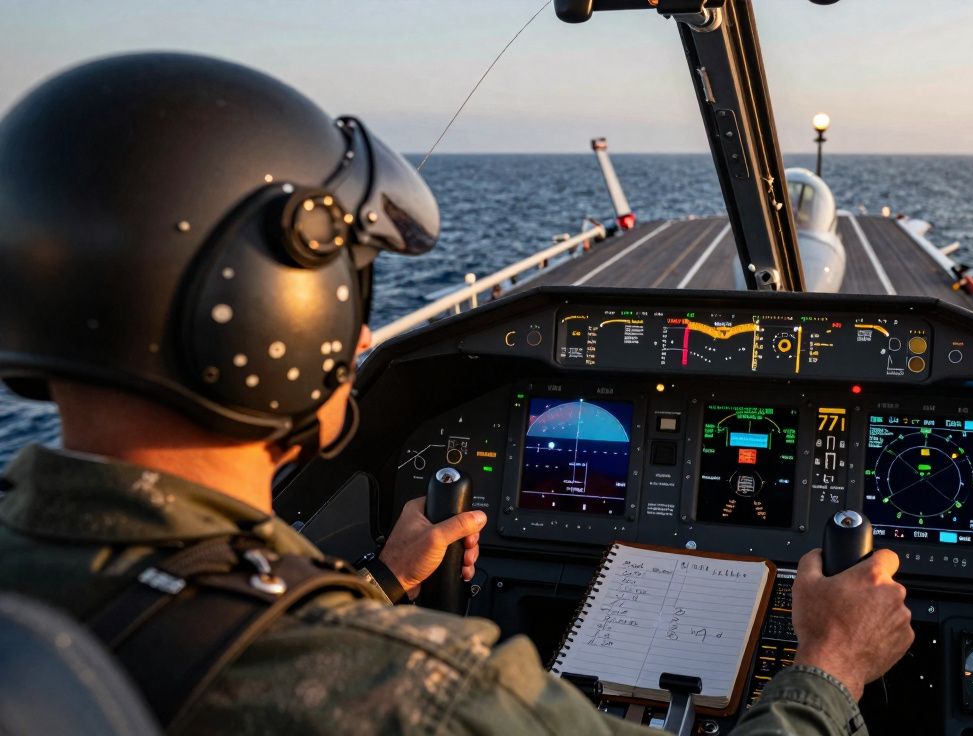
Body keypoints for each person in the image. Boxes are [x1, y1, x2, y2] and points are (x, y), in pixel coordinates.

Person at [0, 53, 914, 734]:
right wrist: (830, 666)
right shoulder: (430, 695)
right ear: (266, 318)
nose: (361, 337)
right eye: (348, 292)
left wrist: (382, 580)